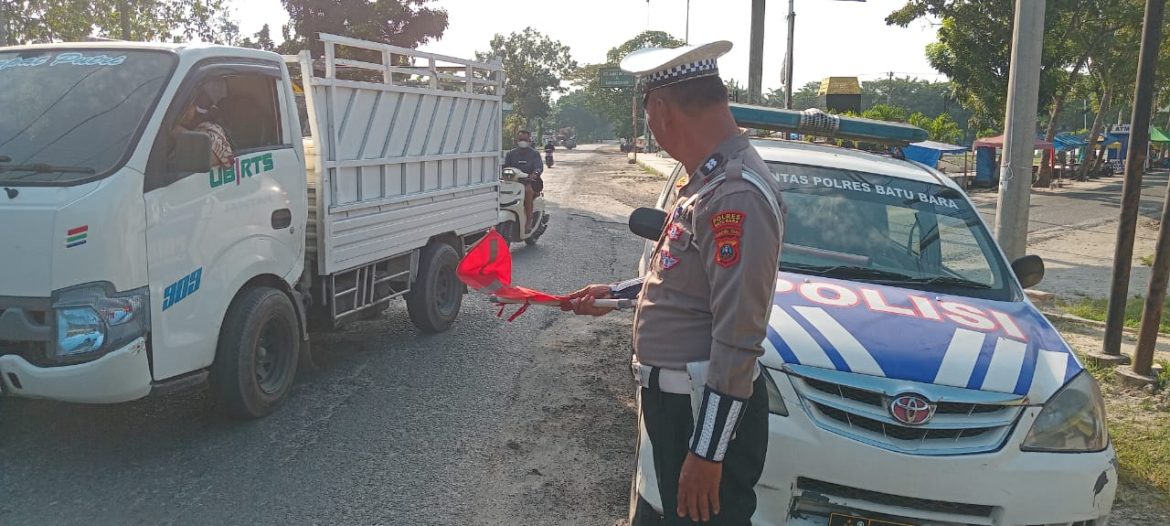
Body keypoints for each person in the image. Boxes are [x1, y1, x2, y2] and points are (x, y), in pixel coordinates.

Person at [563, 41, 784, 525]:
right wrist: (617, 294)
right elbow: (685, 285)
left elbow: (737, 338)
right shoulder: (706, 184)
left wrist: (707, 452)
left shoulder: (735, 194)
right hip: (681, 405)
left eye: (646, 116)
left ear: (660, 110)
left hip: (699, 411)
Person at [171, 91, 233, 168]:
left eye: (186, 107)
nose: (182, 113)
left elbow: (223, 159)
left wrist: (181, 133)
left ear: (197, 107)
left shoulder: (210, 128)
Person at [503, 130, 544, 230]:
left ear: (529, 140)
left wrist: (535, 174)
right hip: (513, 182)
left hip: (530, 183)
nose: (523, 141)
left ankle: (529, 219)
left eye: (525, 139)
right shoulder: (511, 154)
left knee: (527, 191)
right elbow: (505, 167)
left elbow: (539, 167)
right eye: (521, 139)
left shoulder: (534, 154)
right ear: (517, 140)